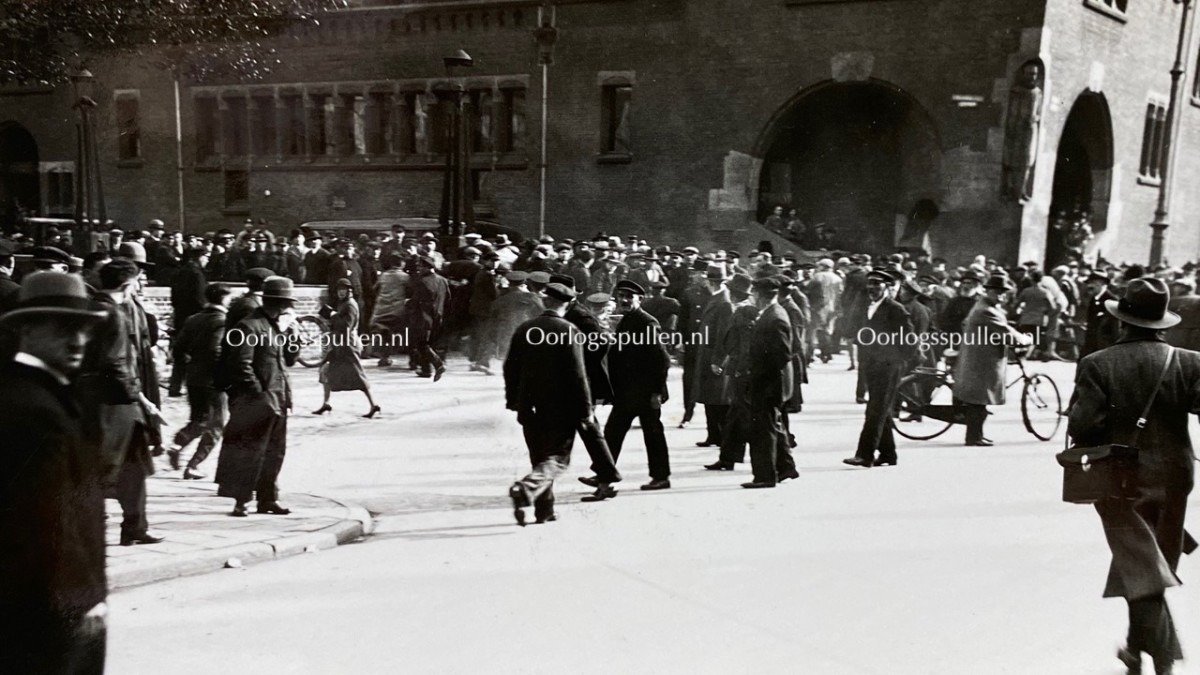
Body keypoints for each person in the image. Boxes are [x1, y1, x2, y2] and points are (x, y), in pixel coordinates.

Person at [1068, 277, 1200, 675]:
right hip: (1175, 476)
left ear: (1122, 320)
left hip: (1121, 478)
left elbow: (1084, 427)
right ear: (1162, 322)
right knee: (1151, 564)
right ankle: (1138, 650)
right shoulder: (1189, 361)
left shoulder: (1097, 363)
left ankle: (1157, 658)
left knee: (1142, 566)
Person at [0, 272, 108, 674]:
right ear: (27, 330)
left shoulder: (42, 395)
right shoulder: (33, 409)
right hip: (45, 616)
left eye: (83, 329)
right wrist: (81, 601)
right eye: (63, 328)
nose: (78, 340)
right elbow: (47, 521)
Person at [80, 258, 165, 547]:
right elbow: (117, 364)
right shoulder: (114, 315)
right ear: (127, 285)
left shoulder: (90, 307)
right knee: (114, 468)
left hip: (98, 400)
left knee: (132, 467)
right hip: (117, 404)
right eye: (137, 282)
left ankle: (135, 527)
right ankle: (112, 529)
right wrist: (141, 399)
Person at [503, 282, 591, 525]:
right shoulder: (569, 330)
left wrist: (514, 400)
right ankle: (526, 488)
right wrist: (586, 409)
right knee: (558, 459)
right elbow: (578, 374)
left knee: (540, 457)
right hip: (561, 407)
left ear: (544, 301)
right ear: (568, 304)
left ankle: (545, 510)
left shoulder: (525, 328)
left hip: (529, 405)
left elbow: (510, 367)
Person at [215, 276, 300, 518]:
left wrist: (293, 335)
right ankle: (241, 501)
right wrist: (259, 394)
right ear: (279, 303)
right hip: (260, 401)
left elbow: (289, 360)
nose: (289, 308)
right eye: (287, 303)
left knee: (275, 452)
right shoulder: (249, 326)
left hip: (279, 398)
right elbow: (241, 365)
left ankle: (268, 499)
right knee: (251, 453)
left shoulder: (276, 327)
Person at [604, 280, 673, 491]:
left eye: (629, 297)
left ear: (640, 299)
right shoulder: (627, 320)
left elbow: (662, 360)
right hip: (628, 391)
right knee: (612, 432)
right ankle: (603, 474)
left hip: (645, 392)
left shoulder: (646, 322)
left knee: (652, 435)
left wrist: (656, 392)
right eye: (621, 296)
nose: (624, 300)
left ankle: (661, 477)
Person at [844, 269, 916, 468]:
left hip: (888, 366)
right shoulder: (867, 306)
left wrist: (896, 360)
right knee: (881, 409)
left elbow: (910, 340)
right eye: (870, 283)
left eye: (877, 283)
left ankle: (864, 455)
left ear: (887, 286)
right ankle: (888, 454)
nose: (872, 287)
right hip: (871, 364)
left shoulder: (895, 309)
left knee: (875, 409)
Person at [952, 274, 1031, 446]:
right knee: (978, 401)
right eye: (997, 292)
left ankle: (977, 435)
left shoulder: (983, 306)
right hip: (981, 362)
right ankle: (973, 437)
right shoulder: (986, 310)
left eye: (1003, 292)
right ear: (988, 291)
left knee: (979, 401)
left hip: (978, 359)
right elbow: (1005, 332)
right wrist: (1025, 339)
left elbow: (1001, 327)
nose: (1001, 296)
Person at [166, 282, 232, 480]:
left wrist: (189, 364)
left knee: (199, 419)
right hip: (214, 380)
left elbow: (178, 348)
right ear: (223, 298)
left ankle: (177, 444)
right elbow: (215, 350)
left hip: (193, 377)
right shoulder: (223, 321)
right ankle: (194, 465)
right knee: (217, 424)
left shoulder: (193, 319)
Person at [741, 277, 798, 488]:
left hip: (768, 383)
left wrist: (759, 375)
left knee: (762, 430)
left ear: (760, 295)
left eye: (753, 294)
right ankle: (786, 467)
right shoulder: (772, 313)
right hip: (768, 381)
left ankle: (765, 476)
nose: (751, 298)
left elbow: (782, 355)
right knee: (772, 425)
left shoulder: (774, 318)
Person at [312, 279, 381, 418]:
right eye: (339, 289)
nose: (341, 292)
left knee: (358, 376)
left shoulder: (350, 305)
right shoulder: (344, 303)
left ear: (349, 290)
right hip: (340, 344)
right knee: (325, 371)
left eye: (344, 289)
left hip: (348, 346)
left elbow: (346, 326)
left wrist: (332, 315)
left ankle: (373, 405)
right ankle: (326, 403)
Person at [692, 265, 734, 447]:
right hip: (707, 354)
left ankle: (722, 436)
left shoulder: (724, 302)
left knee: (719, 399)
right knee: (710, 397)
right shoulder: (717, 298)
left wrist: (718, 360)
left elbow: (723, 334)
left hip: (714, 356)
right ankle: (714, 435)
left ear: (710, 282)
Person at [407, 255, 449, 380]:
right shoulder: (443, 280)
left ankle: (438, 364)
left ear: (427, 267)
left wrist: (407, 303)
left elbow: (416, 300)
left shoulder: (422, 281)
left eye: (421, 266)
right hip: (438, 316)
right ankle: (426, 370)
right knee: (428, 343)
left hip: (424, 317)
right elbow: (448, 299)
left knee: (421, 343)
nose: (419, 269)